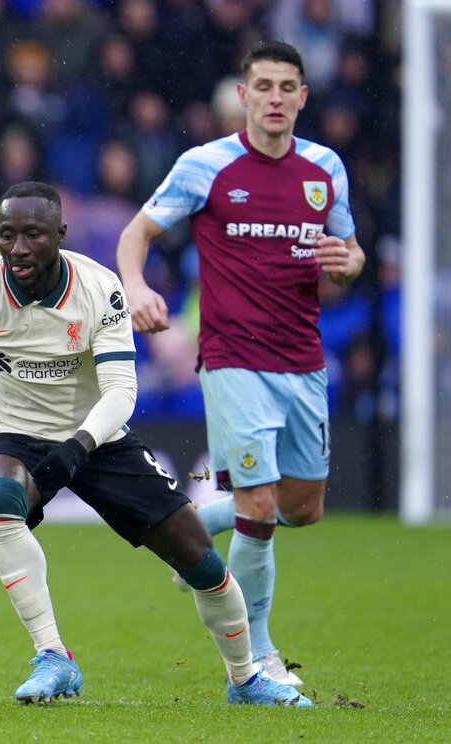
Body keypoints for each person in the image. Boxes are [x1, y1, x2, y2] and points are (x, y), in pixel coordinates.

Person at [0, 180, 311, 707]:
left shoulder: (99, 289)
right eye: (7, 235)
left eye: (34, 235)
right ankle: (52, 656)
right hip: (13, 432)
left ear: (61, 234)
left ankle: (245, 680)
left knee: (199, 558)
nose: (19, 248)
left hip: (99, 436)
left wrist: (78, 446)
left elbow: (121, 392)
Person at [115, 41, 365, 687]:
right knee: (257, 505)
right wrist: (136, 288)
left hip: (303, 358)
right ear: (244, 95)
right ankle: (257, 658)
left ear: (302, 97)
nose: (275, 98)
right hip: (232, 358)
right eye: (264, 86)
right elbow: (137, 233)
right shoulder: (207, 166)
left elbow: (351, 251)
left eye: (287, 87)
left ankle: (198, 525)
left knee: (301, 507)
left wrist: (349, 263)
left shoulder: (325, 168)